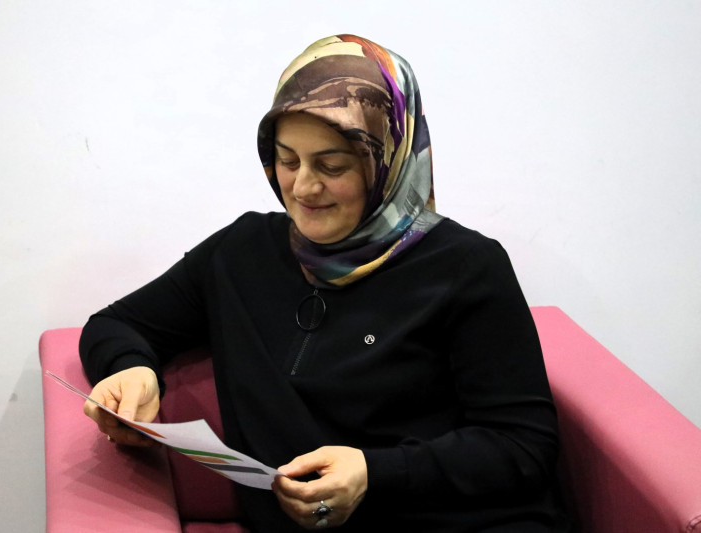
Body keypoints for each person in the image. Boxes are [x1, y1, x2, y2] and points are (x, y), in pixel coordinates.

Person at [79, 34, 570, 532]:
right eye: (287, 160)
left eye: (332, 166)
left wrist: (374, 472)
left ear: (387, 161)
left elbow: (523, 447)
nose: (304, 187)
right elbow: (115, 325)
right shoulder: (240, 253)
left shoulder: (465, 266)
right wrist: (132, 370)